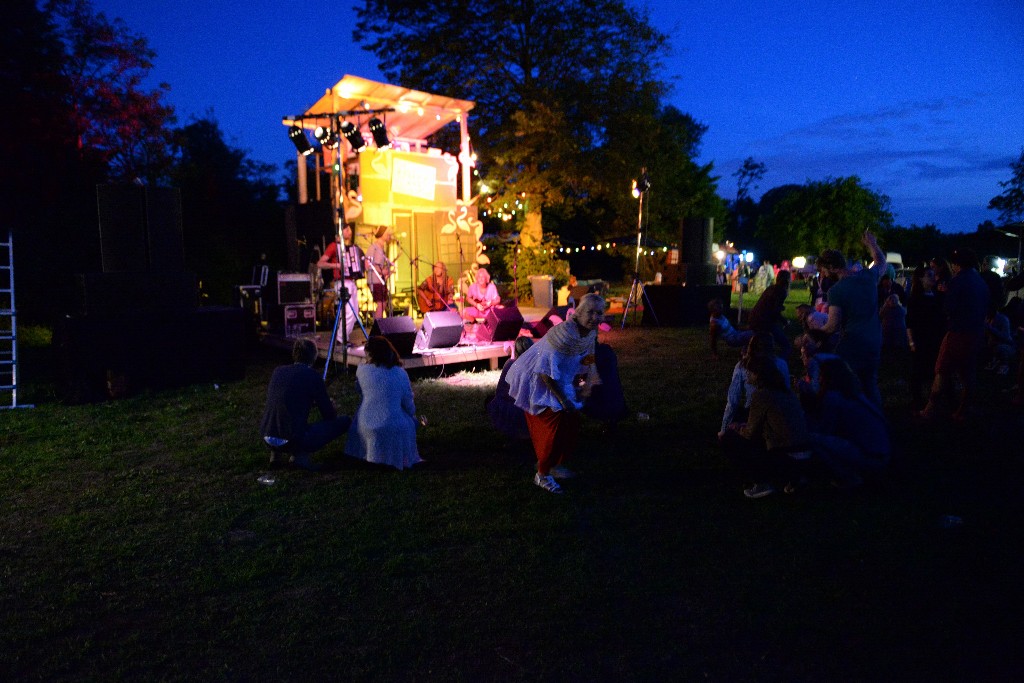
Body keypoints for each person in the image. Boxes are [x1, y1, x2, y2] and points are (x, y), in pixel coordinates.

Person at [507, 293, 605, 494]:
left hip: (561, 379)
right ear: (578, 313)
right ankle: (542, 474)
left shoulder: (589, 333)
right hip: (539, 379)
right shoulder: (562, 334)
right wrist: (563, 399)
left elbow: (588, 358)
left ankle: (554, 464)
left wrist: (585, 385)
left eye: (599, 313)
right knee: (554, 426)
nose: (595, 317)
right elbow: (544, 371)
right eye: (590, 312)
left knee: (571, 424)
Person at [719, 354, 811, 499]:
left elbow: (750, 433)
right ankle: (795, 478)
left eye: (749, 371)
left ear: (757, 374)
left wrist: (736, 428)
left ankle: (761, 482)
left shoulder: (762, 395)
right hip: (804, 450)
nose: (747, 374)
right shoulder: (786, 391)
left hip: (785, 453)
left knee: (729, 438)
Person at [917, 248, 991, 422]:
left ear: (957, 264)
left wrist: (945, 294)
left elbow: (948, 308)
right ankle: (963, 410)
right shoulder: (980, 281)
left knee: (941, 370)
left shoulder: (959, 280)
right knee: (968, 372)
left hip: (958, 332)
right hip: (976, 333)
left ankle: (929, 410)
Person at [816, 230, 887, 405]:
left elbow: (832, 325)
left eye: (823, 271)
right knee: (870, 382)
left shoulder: (836, 291)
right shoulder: (868, 276)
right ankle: (876, 421)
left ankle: (847, 420)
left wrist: (811, 334)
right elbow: (881, 262)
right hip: (875, 339)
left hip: (853, 343)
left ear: (832, 267)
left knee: (841, 383)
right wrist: (872, 243)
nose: (823, 275)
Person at [259, 338, 351, 471]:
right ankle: (300, 458)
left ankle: (275, 456)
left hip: (266, 434)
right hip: (293, 438)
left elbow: (284, 400)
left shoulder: (278, 371)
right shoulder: (312, 376)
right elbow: (329, 415)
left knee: (281, 417)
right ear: (314, 356)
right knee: (344, 421)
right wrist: (331, 406)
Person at [807, 357, 891, 489]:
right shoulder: (856, 395)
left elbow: (826, 429)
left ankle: (848, 477)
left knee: (811, 439)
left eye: (821, 375)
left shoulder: (833, 397)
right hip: (883, 452)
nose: (818, 379)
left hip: (870, 456)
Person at [344, 336, 422, 470]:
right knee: (411, 421)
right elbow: (409, 406)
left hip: (365, 425)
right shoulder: (400, 373)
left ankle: (370, 452)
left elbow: (360, 392)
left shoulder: (361, 370)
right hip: (394, 426)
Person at [718, 332, 789, 439]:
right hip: (779, 414)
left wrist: (724, 429)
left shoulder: (743, 366)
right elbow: (786, 391)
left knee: (732, 430)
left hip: (755, 413)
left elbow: (733, 401)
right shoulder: (782, 363)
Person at [905, 265, 946, 410]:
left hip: (935, 339)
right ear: (921, 278)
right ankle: (917, 400)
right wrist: (911, 341)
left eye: (933, 275)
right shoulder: (915, 298)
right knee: (917, 371)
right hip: (921, 339)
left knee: (934, 369)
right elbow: (909, 322)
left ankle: (933, 399)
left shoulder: (938, 296)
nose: (933, 278)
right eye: (929, 275)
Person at [317, 222, 364, 343]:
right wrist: (337, 265)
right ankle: (340, 338)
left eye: (350, 230)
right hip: (341, 282)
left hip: (351, 282)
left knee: (354, 314)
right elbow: (320, 263)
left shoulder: (353, 248)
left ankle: (344, 338)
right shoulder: (334, 246)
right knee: (349, 312)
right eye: (347, 230)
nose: (350, 232)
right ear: (340, 231)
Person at [485, 336, 534, 441]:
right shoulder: (534, 367)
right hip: (522, 412)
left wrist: (512, 349)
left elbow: (514, 361)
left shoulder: (509, 364)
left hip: (504, 409)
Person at [582, 341, 629, 434]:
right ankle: (610, 422)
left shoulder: (592, 355)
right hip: (615, 396)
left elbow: (583, 370)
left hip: (602, 396)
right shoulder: (607, 350)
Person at [366, 225, 392, 319]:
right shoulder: (373, 247)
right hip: (374, 279)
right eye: (388, 232)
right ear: (382, 234)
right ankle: (376, 329)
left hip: (380, 279)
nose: (390, 234)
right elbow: (367, 264)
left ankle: (378, 326)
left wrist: (387, 271)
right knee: (380, 304)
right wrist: (382, 271)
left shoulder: (382, 248)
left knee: (384, 304)